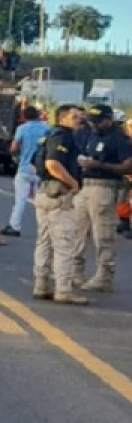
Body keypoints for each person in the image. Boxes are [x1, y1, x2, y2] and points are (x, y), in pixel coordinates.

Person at [70, 104, 132, 292]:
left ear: (109, 120)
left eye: (98, 121)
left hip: (104, 186)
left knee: (102, 235)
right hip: (86, 185)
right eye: (92, 121)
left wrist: (100, 165)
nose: (94, 125)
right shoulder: (91, 134)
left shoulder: (119, 138)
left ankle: (104, 276)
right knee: (78, 232)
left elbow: (127, 166)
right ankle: (75, 272)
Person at [32, 104, 88, 305]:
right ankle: (63, 290)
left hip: (45, 192)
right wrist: (72, 183)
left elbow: (34, 162)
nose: (79, 120)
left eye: (80, 117)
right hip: (59, 195)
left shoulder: (48, 135)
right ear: (62, 118)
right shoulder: (63, 136)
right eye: (75, 116)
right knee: (64, 243)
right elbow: (52, 164)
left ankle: (41, 284)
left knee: (44, 242)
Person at [2, 106, 50, 237]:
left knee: (20, 200)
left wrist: (16, 153)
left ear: (24, 117)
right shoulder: (47, 129)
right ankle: (44, 229)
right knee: (41, 202)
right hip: (41, 170)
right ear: (38, 115)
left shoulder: (22, 129)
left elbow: (14, 148)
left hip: (24, 169)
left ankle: (14, 226)